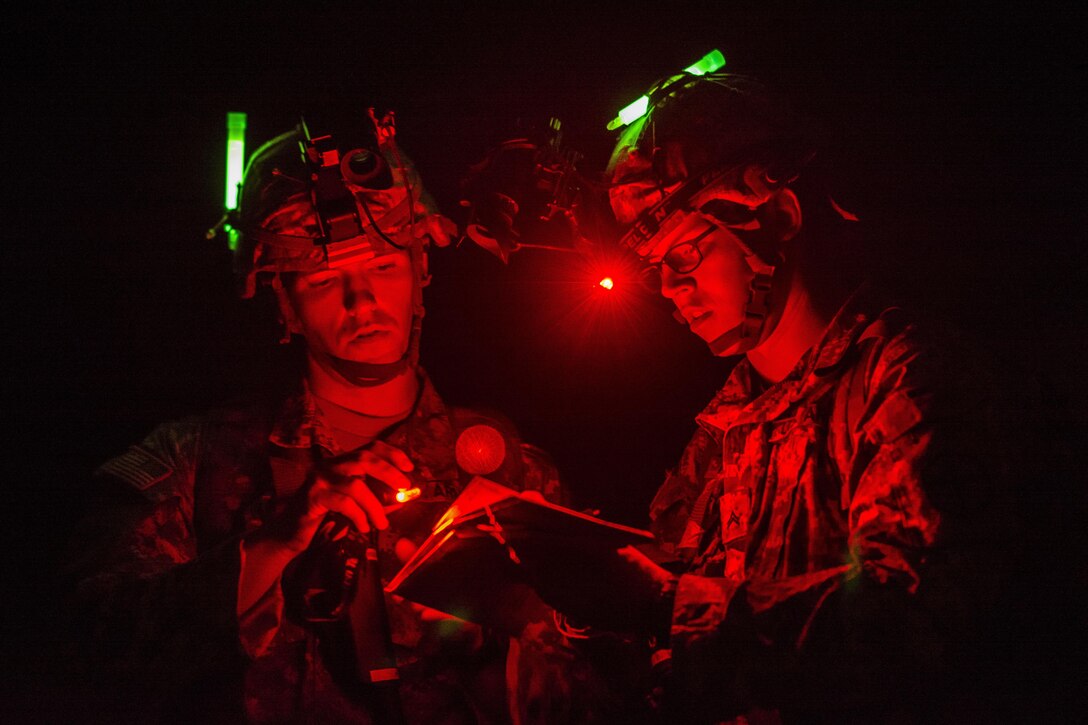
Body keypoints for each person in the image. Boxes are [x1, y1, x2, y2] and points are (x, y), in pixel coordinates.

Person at [512, 67, 1048, 723]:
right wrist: (583, 601)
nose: (672, 290)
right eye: (657, 270)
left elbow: (925, 612)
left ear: (778, 215)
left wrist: (663, 607)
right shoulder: (725, 430)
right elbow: (667, 628)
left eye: (684, 254)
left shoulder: (908, 377)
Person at [57, 107, 597, 724]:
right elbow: (87, 644)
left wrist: (530, 653)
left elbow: (601, 688)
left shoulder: (514, 472)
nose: (361, 299)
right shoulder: (192, 461)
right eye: (321, 279)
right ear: (281, 301)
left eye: (383, 266)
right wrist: (275, 542)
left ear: (423, 270)